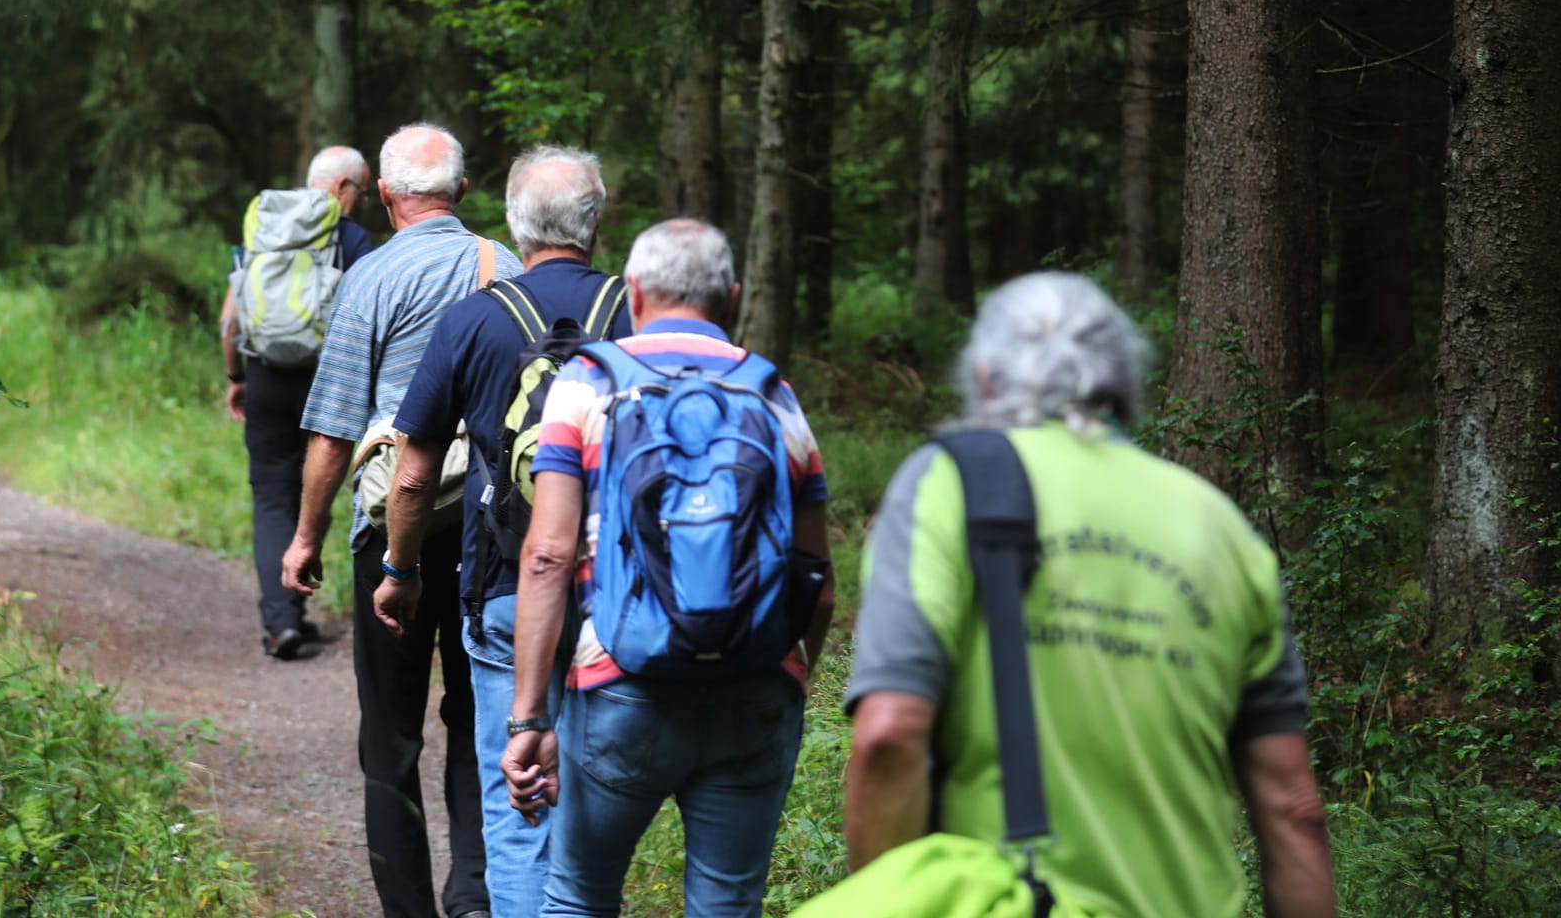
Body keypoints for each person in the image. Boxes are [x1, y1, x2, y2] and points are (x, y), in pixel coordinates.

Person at [841, 272, 1334, 917]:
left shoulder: (949, 483)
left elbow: (889, 734)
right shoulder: (1221, 526)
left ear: (984, 380)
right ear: (1123, 386)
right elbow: (1292, 808)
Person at [502, 218, 836, 917]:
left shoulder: (587, 383)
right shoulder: (773, 394)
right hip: (754, 688)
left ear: (634, 293)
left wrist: (528, 718)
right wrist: (790, 674)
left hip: (621, 684)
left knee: (578, 898)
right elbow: (818, 579)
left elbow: (547, 557)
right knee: (726, 905)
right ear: (733, 298)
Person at [375, 145, 632, 916]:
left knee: (518, 803)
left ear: (514, 228)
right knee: (605, 804)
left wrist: (401, 568)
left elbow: (415, 474)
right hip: (621, 596)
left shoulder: (475, 318)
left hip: (506, 589)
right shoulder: (638, 312)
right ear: (598, 221)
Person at [280, 123, 520, 918]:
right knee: (477, 711)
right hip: (493, 528)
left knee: (389, 731)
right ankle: (475, 895)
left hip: (394, 526)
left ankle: (408, 908)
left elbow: (333, 428)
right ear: (461, 192)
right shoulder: (507, 269)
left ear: (385, 196)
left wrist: (307, 535)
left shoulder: (373, 278)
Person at [221, 145, 375, 659]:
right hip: (327, 381)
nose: (363, 201)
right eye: (363, 191)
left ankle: (281, 621)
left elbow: (231, 317)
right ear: (343, 188)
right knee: (320, 490)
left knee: (270, 499)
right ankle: (300, 604)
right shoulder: (352, 239)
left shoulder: (263, 225)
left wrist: (235, 375)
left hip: (265, 377)